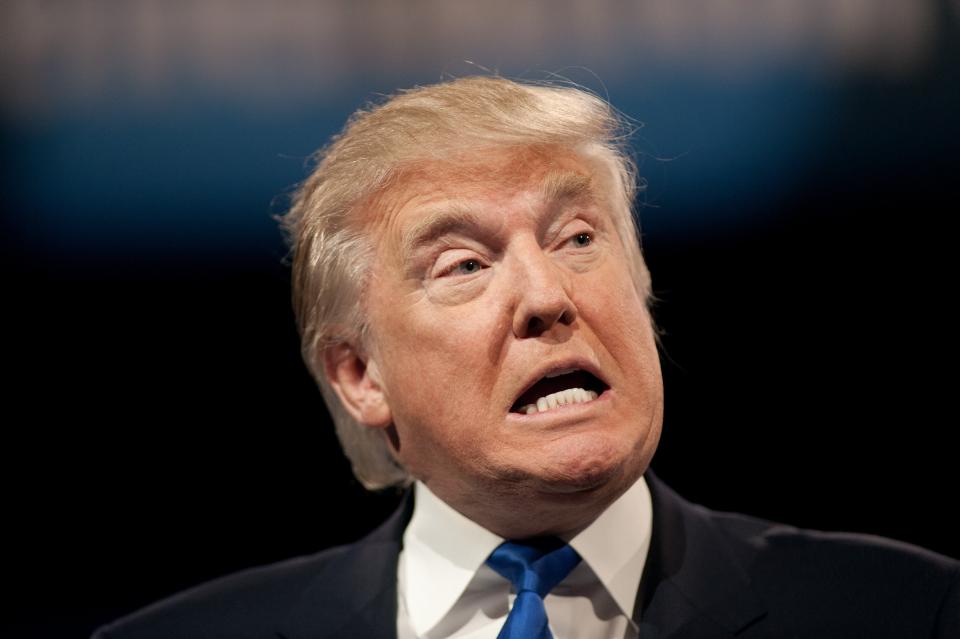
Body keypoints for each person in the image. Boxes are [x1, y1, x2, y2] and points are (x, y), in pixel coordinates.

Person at [92, 76, 959, 639]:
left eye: (578, 237)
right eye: (463, 265)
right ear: (361, 375)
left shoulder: (907, 613)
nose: (549, 296)